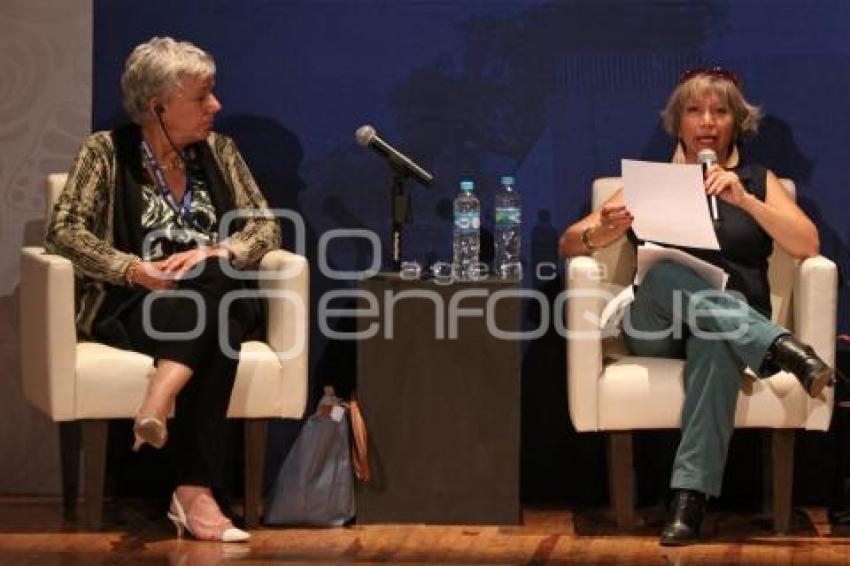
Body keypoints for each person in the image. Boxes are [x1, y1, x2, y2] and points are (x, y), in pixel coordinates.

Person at [559, 67, 834, 545]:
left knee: (715, 339)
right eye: (694, 110)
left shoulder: (756, 180)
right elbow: (569, 243)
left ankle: (688, 499)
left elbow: (808, 244)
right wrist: (603, 228)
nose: (707, 121)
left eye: (719, 111)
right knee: (666, 274)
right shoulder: (654, 182)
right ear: (678, 122)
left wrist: (746, 201)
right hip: (657, 324)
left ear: (737, 121)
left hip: (725, 329)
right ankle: (781, 347)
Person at [46, 37, 281, 542]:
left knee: (219, 277)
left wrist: (215, 253)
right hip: (136, 303)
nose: (215, 107)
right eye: (202, 97)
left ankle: (159, 397)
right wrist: (134, 269)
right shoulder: (104, 152)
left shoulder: (221, 152)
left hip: (215, 293)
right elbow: (64, 230)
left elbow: (264, 228)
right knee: (219, 322)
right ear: (157, 105)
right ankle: (195, 493)